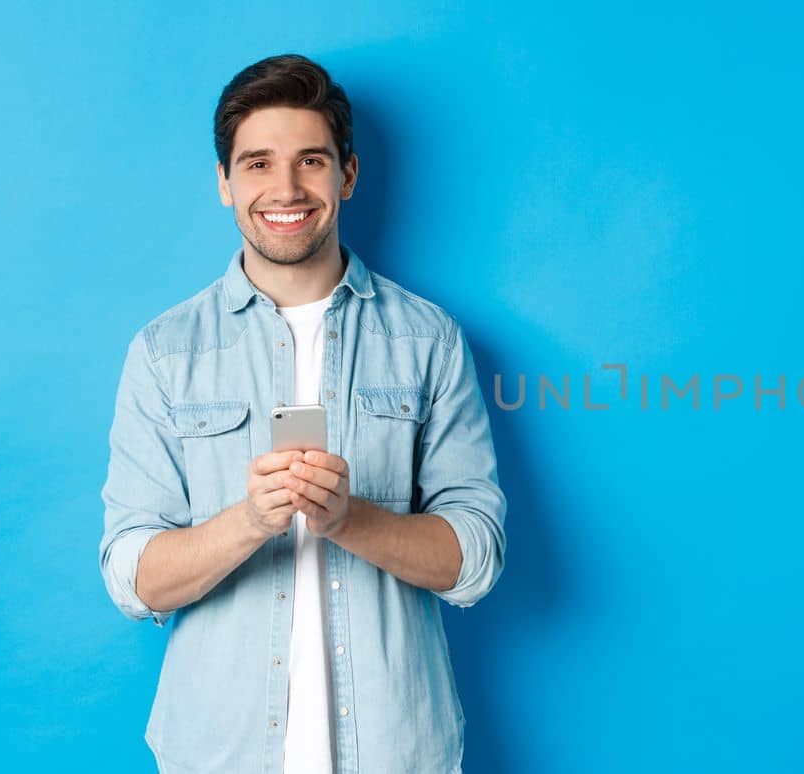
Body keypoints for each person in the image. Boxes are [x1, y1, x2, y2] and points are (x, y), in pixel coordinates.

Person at [98, 54, 506, 774]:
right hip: (217, 753)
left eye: (310, 160)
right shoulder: (165, 352)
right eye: (257, 164)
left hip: (396, 750)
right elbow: (134, 577)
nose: (284, 188)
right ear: (225, 183)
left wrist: (349, 518)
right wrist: (251, 520)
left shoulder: (429, 341)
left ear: (347, 176)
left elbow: (475, 557)